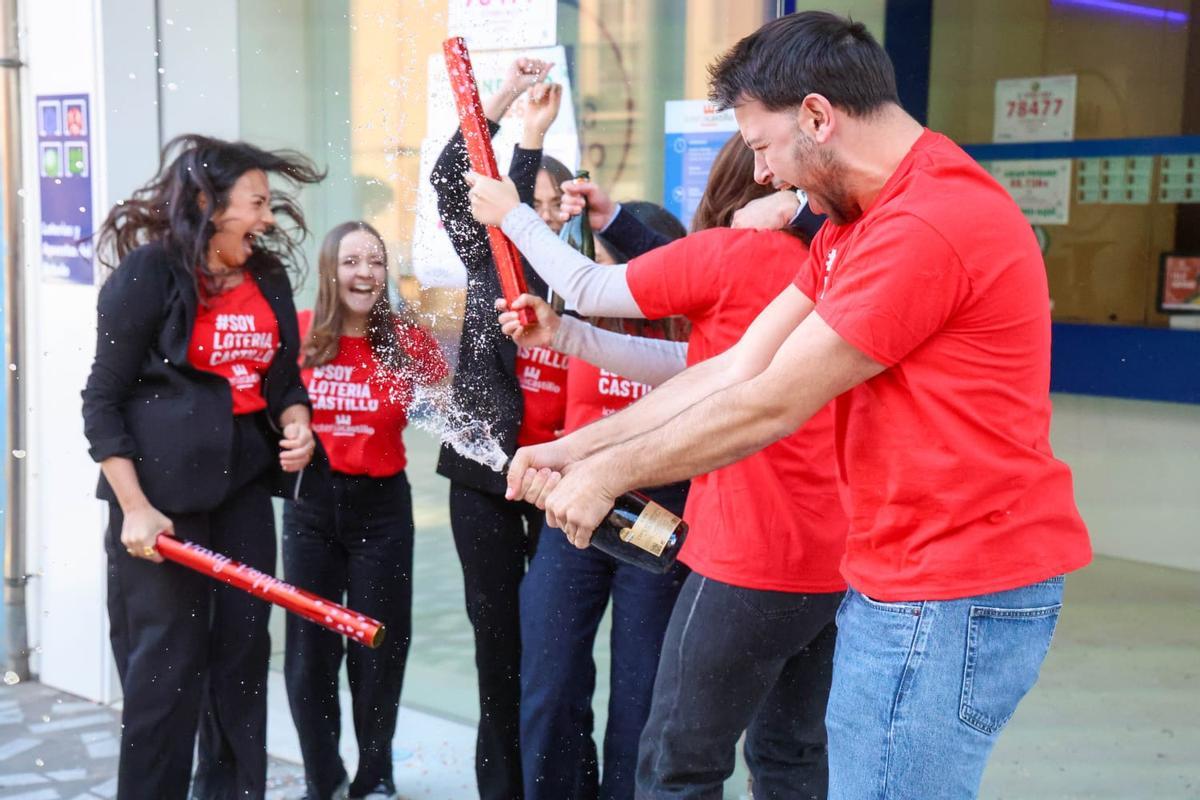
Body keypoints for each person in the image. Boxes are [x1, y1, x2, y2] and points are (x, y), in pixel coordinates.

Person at [501, 12, 1093, 800]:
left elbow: (768, 406)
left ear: (818, 116)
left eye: (763, 146)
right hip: (899, 574)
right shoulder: (858, 223)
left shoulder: (926, 223)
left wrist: (606, 477)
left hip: (953, 587)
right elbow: (735, 368)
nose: (766, 175)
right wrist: (577, 453)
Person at [472, 133, 847, 799]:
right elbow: (704, 373)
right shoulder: (825, 271)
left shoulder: (740, 254)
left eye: (769, 149)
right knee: (786, 751)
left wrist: (512, 213)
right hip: (828, 559)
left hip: (741, 550)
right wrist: (566, 347)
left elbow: (586, 282)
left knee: (677, 759)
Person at [81, 134, 324, 800]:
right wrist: (134, 507)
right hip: (160, 505)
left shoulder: (267, 276)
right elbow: (101, 402)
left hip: (241, 494)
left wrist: (298, 422)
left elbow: (282, 382)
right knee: (166, 673)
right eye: (256, 202)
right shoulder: (148, 275)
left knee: (242, 663)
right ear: (205, 203)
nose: (268, 218)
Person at [510, 201, 691, 800]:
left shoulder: (691, 333)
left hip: (659, 514)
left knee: (642, 692)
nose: (617, 289)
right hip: (574, 509)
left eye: (629, 273)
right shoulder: (578, 316)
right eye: (608, 272)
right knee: (551, 680)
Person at [428, 57, 568, 800]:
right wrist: (511, 104)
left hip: (558, 482)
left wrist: (538, 150)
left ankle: (559, 783)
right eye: (526, 199)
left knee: (553, 649)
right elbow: (455, 178)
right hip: (481, 478)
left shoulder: (580, 279)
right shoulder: (493, 258)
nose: (533, 214)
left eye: (545, 202)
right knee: (497, 648)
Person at [283, 221, 449, 800]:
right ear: (331, 270)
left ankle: (375, 778)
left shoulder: (408, 345)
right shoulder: (299, 337)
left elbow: (447, 404)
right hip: (311, 509)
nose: (365, 274)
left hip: (381, 511)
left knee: (378, 649)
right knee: (310, 657)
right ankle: (320, 778)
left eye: (376, 263)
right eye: (352, 261)